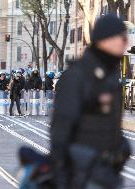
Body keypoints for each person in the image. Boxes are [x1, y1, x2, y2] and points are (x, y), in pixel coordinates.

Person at [51, 14, 130, 189]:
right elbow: (61, 130)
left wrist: (122, 147)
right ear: (105, 40)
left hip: (106, 175)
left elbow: (110, 124)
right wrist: (62, 178)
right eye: (122, 38)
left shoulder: (110, 77)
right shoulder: (78, 76)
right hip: (82, 175)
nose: (125, 43)